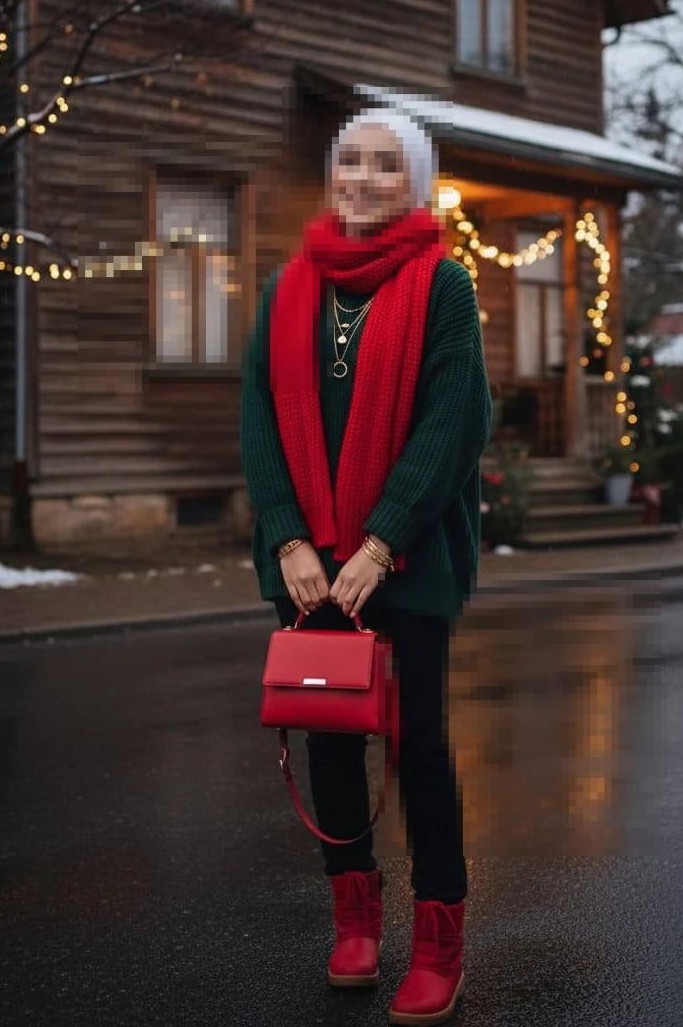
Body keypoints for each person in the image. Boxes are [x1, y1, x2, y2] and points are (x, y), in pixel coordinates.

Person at [240, 105, 492, 1025]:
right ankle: (354, 916)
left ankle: (439, 941)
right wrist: (288, 536)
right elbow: (259, 416)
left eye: (386, 165)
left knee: (417, 744)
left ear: (413, 184)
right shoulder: (288, 287)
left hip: (410, 559)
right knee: (329, 737)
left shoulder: (446, 285)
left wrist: (382, 540)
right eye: (350, 160)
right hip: (309, 565)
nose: (363, 178)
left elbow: (451, 428)